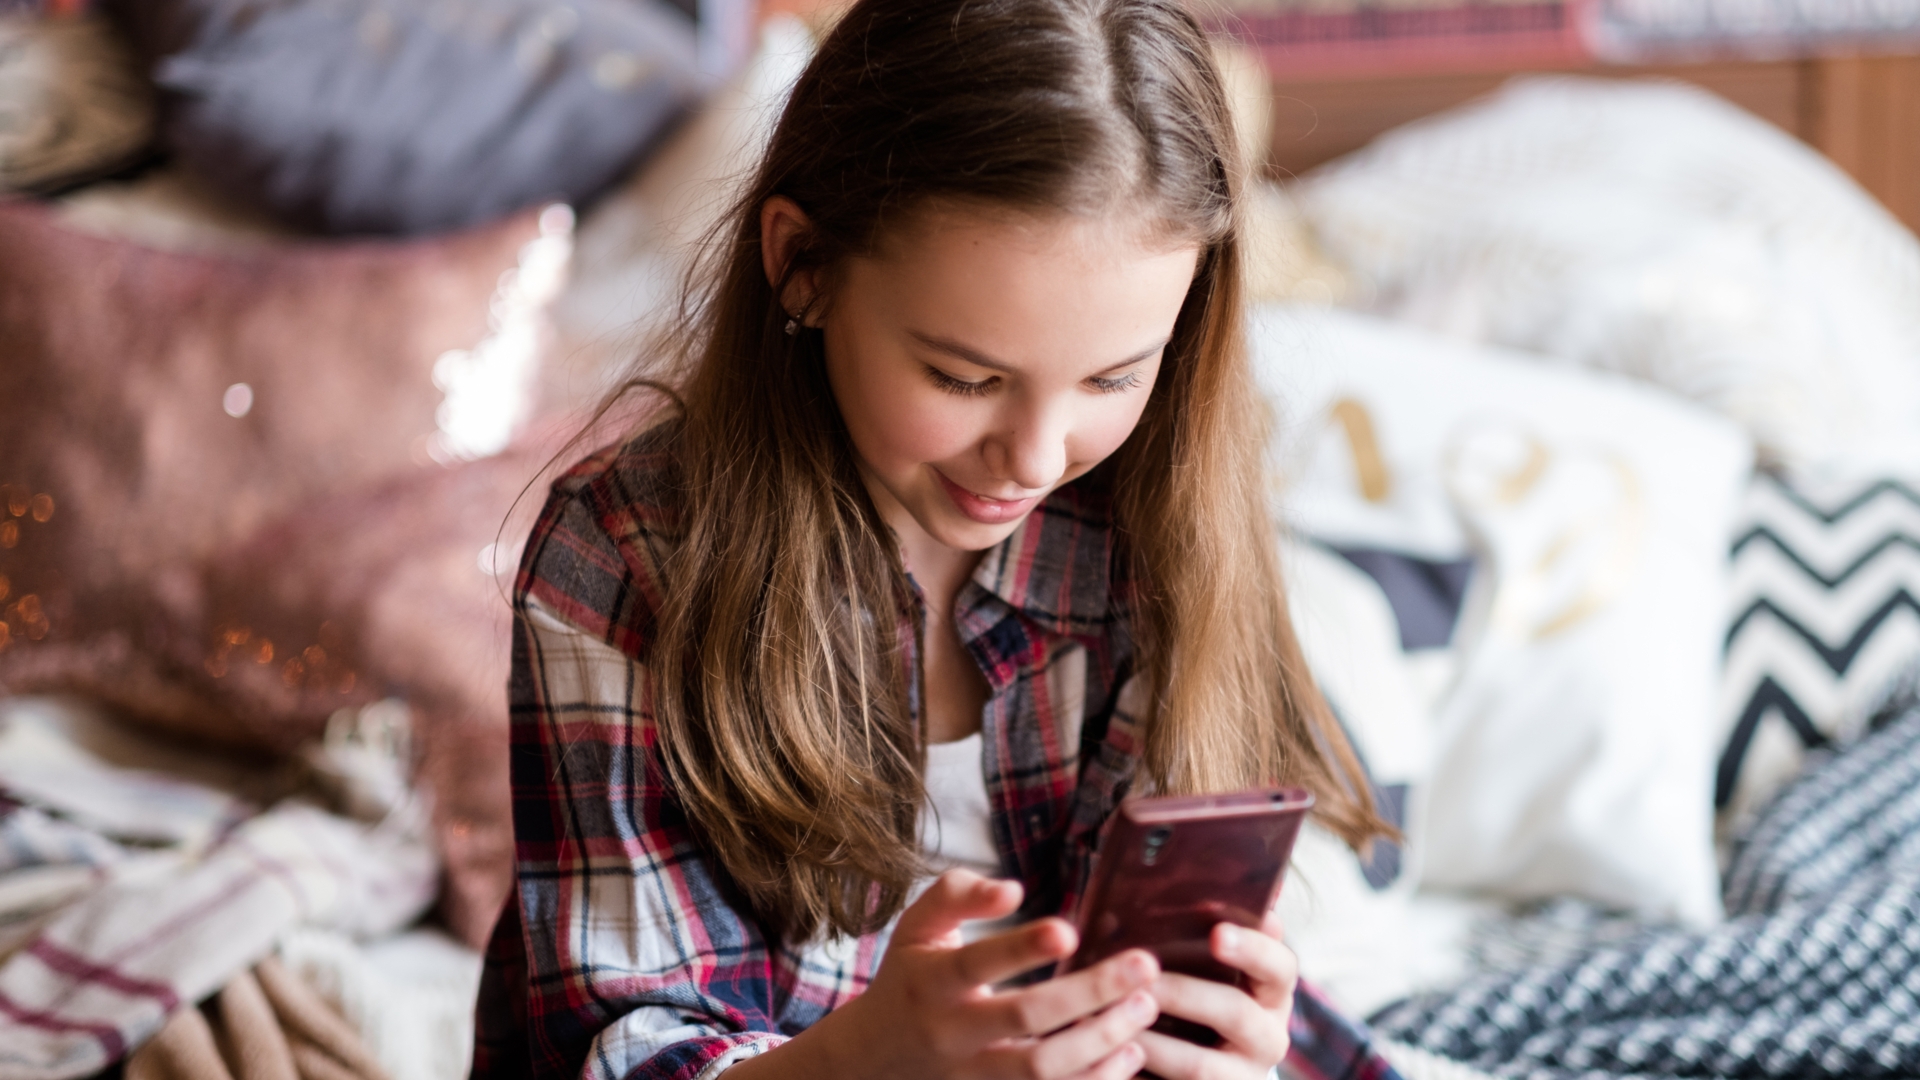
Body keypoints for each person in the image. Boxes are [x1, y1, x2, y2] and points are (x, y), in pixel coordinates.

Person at [471, 0, 1394, 1076]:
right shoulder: (627, 549)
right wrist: (871, 1057)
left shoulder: (1157, 525)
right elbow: (623, 1043)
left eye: (1112, 377)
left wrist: (1221, 1045)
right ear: (801, 265)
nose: (1037, 458)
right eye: (965, 377)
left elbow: (1157, 971)